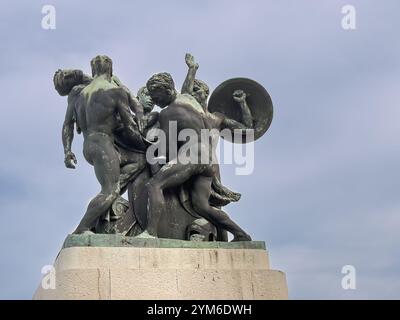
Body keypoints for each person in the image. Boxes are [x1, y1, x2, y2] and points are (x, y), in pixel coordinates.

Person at [136, 66, 254, 241]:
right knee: (201, 206)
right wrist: (192, 69)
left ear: (168, 90)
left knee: (155, 185)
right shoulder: (189, 101)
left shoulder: (168, 113)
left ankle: (150, 233)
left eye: (156, 96)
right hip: (208, 161)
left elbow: (168, 148)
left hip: (192, 155)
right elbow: (187, 88)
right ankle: (241, 234)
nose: (155, 101)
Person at [56, 55, 146, 234]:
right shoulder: (115, 92)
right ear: (111, 71)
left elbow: (68, 124)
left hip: (89, 146)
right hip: (103, 144)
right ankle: (81, 229)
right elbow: (129, 127)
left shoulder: (77, 93)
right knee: (110, 191)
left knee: (140, 160)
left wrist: (67, 151)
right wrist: (147, 142)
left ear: (92, 71)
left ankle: (109, 196)